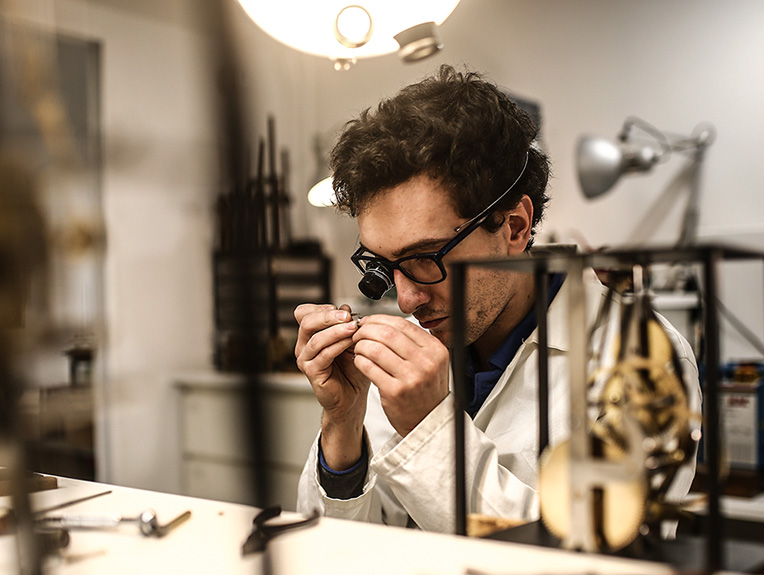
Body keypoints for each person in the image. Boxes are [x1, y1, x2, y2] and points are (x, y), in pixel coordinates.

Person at [293, 65, 700, 534]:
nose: (405, 301)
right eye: (384, 266)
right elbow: (337, 545)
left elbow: (602, 558)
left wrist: (430, 428)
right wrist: (342, 423)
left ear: (514, 227)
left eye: (425, 258)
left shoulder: (644, 358)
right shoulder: (418, 341)